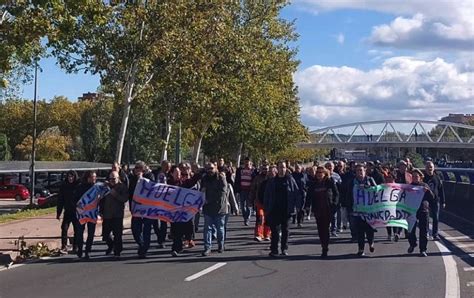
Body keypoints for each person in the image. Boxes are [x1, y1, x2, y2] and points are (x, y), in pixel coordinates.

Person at [264, 161, 302, 257]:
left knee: (285, 230)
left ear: (286, 169)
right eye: (280, 167)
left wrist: (297, 206)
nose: (282, 169)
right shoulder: (272, 181)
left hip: (286, 209)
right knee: (275, 231)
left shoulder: (290, 180)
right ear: (277, 169)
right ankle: (274, 250)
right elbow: (267, 196)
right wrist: (267, 208)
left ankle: (284, 249)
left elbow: (296, 193)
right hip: (274, 209)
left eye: (284, 167)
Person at [167, 165, 201, 257]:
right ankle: (176, 248)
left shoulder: (184, 182)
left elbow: (192, 181)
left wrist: (198, 173)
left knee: (187, 226)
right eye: (176, 173)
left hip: (184, 211)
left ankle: (188, 239)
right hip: (174, 212)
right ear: (172, 174)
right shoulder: (168, 184)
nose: (178, 175)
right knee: (176, 230)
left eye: (179, 173)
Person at [344, 164, 377, 256]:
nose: (359, 172)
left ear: (365, 171)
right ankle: (361, 249)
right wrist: (349, 208)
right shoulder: (352, 182)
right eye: (358, 170)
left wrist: (368, 188)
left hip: (369, 211)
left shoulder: (370, 180)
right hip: (357, 211)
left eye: (361, 170)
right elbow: (349, 195)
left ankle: (371, 243)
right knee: (360, 231)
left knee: (369, 229)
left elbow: (377, 190)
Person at [307, 166, 339, 258]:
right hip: (317, 209)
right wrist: (307, 206)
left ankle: (325, 247)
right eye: (317, 173)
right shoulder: (313, 184)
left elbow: (336, 193)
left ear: (325, 173)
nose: (319, 174)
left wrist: (334, 203)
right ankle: (323, 244)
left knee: (325, 229)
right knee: (320, 229)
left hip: (327, 208)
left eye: (321, 172)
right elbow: (309, 196)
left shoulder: (329, 182)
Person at [128, 161, 155, 258]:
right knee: (135, 229)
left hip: (147, 208)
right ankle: (141, 244)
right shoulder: (132, 178)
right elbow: (130, 191)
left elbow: (151, 189)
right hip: (136, 208)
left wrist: (141, 179)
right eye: (135, 167)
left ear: (142, 169)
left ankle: (144, 249)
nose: (136, 169)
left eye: (138, 167)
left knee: (147, 229)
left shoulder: (150, 176)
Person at [201, 162, 228, 256]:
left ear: (216, 168)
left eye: (211, 168)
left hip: (219, 208)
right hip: (207, 208)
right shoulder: (204, 178)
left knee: (220, 228)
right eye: (207, 168)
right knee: (207, 229)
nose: (209, 170)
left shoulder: (221, 178)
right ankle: (207, 247)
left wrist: (209, 200)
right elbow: (202, 190)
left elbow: (222, 193)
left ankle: (221, 245)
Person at [100, 171, 129, 258]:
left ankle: (117, 251)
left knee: (117, 234)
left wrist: (115, 194)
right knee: (105, 235)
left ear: (118, 178)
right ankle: (111, 245)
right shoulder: (106, 187)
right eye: (110, 179)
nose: (112, 180)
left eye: (114, 179)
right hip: (107, 214)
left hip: (117, 214)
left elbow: (124, 199)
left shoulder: (122, 187)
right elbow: (101, 200)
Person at [407, 169, 435, 257]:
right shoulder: (409, 187)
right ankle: (412, 243)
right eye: (413, 176)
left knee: (423, 231)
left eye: (417, 176)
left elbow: (432, 197)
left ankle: (423, 249)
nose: (415, 178)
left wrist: (428, 191)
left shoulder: (424, 186)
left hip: (423, 210)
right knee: (410, 230)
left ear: (420, 177)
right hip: (412, 211)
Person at [74, 171, 97, 259]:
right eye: (92, 177)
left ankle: (88, 250)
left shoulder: (96, 188)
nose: (94, 179)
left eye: (95, 177)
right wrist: (78, 209)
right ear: (88, 178)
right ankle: (80, 249)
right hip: (82, 214)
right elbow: (75, 200)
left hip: (92, 214)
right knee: (80, 232)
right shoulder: (80, 187)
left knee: (91, 233)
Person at [56, 170, 80, 253]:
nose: (70, 178)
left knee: (77, 229)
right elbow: (60, 200)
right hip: (67, 211)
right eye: (69, 176)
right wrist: (58, 213)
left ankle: (76, 245)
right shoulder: (64, 186)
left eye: (72, 176)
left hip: (76, 211)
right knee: (64, 227)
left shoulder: (78, 186)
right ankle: (64, 245)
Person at [424, 161, 445, 240]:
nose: (429, 169)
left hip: (435, 200)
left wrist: (443, 201)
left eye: (431, 167)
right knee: (426, 218)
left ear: (433, 168)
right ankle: (426, 232)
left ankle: (435, 234)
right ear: (425, 168)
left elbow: (441, 190)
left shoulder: (437, 177)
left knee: (436, 218)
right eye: (428, 167)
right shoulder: (423, 178)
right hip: (425, 201)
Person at [250, 164, 271, 241]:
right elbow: (253, 189)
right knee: (260, 217)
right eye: (264, 169)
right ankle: (259, 234)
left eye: (267, 169)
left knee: (268, 219)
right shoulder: (257, 178)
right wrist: (251, 200)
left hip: (269, 202)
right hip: (259, 201)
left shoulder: (271, 179)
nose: (265, 170)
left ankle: (267, 234)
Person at [235, 157, 255, 226]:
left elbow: (254, 179)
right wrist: (237, 189)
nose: (246, 164)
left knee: (248, 205)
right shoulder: (240, 170)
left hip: (249, 190)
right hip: (242, 190)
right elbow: (237, 180)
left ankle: (247, 219)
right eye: (245, 162)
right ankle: (244, 217)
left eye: (248, 162)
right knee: (242, 206)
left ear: (250, 163)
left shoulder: (253, 170)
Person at [325, 161, 342, 236]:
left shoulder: (337, 175)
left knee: (334, 215)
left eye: (330, 166)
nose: (329, 167)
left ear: (333, 167)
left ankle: (333, 230)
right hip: (325, 198)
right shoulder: (323, 175)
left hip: (334, 198)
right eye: (328, 166)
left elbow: (340, 186)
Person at [291, 163, 307, 228]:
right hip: (294, 193)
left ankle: (299, 221)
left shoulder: (303, 176)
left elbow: (306, 183)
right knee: (295, 207)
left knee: (301, 208)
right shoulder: (292, 175)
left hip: (302, 193)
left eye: (298, 168)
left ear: (301, 169)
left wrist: (305, 189)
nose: (297, 169)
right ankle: (294, 219)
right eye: (296, 168)